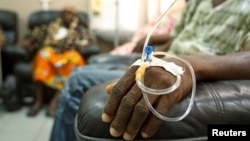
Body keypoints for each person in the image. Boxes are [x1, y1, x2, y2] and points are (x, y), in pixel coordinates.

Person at [50, 0, 250, 141]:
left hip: (192, 70)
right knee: (87, 66)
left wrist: (186, 66)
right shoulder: (198, 3)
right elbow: (178, 39)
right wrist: (154, 47)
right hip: (164, 62)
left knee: (77, 80)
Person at [25, 6, 94, 117]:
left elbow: (88, 42)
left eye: (70, 13)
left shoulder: (80, 29)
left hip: (68, 53)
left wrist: (84, 44)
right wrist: (29, 42)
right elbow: (35, 35)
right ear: (62, 14)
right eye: (66, 13)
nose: (68, 15)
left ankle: (54, 102)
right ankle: (38, 101)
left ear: (74, 16)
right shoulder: (52, 26)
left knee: (75, 59)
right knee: (42, 54)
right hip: (52, 51)